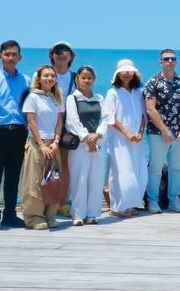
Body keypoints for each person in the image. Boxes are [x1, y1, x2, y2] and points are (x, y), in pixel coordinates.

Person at [0, 40, 30, 232]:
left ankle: (10, 214)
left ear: (20, 57)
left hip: (19, 132)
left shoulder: (26, 81)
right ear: (0, 56)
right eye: (7, 54)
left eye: (14, 54)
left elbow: (29, 110)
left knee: (13, 176)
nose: (10, 57)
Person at [142, 49, 180, 213]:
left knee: (176, 167)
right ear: (161, 62)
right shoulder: (153, 82)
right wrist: (164, 130)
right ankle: (152, 200)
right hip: (157, 133)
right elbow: (150, 109)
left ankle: (174, 199)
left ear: (176, 61)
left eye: (172, 58)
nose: (170, 61)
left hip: (179, 132)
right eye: (166, 59)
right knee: (156, 168)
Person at [20, 65, 65, 230]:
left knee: (53, 180)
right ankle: (33, 217)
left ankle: (50, 215)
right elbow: (31, 122)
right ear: (39, 78)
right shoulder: (32, 97)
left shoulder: (56, 97)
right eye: (46, 75)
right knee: (35, 182)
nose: (49, 78)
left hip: (53, 144)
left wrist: (56, 141)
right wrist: (41, 144)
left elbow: (59, 122)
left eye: (52, 76)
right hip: (36, 143)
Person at [103, 60, 146, 216]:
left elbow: (143, 115)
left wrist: (140, 132)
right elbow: (110, 117)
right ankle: (118, 206)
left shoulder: (139, 92)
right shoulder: (112, 92)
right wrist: (126, 133)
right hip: (118, 138)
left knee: (137, 170)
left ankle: (132, 204)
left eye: (130, 71)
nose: (127, 74)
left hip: (136, 139)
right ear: (118, 74)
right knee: (120, 171)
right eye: (123, 71)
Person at [65, 66, 106, 225]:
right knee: (79, 179)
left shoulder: (99, 98)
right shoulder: (72, 98)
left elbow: (106, 119)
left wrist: (97, 135)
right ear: (77, 79)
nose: (86, 80)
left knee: (96, 179)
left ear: (94, 80)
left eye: (89, 78)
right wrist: (87, 138)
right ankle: (78, 215)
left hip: (98, 143)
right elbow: (72, 121)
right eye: (83, 77)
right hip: (80, 144)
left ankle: (92, 214)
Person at [49, 41, 76, 218]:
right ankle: (47, 201)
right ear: (51, 55)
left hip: (67, 127)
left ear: (71, 56)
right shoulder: (44, 74)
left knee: (64, 165)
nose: (61, 55)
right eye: (57, 52)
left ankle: (63, 201)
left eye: (65, 52)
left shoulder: (75, 77)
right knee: (46, 165)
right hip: (46, 124)